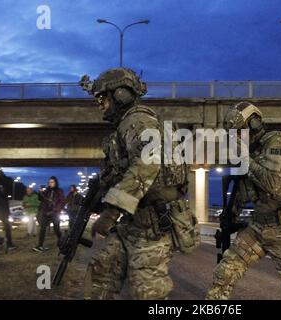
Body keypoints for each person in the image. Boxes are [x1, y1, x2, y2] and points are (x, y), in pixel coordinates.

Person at [79, 67, 200, 300]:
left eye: (103, 98)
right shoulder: (126, 126)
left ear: (121, 94)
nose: (100, 105)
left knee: (148, 295)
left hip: (154, 226)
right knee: (101, 272)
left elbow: (147, 164)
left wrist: (112, 212)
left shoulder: (138, 121)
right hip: (135, 224)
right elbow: (125, 172)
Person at [206, 102, 281, 300]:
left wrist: (245, 158)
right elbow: (241, 188)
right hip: (258, 225)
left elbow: (270, 182)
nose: (236, 137)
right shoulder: (250, 151)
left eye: (238, 132)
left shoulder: (277, 143)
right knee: (225, 272)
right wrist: (229, 219)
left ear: (254, 124)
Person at [33, 176, 65, 252]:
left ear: (55, 182)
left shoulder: (59, 191)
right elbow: (41, 199)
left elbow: (61, 201)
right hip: (46, 212)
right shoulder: (47, 191)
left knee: (56, 229)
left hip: (55, 213)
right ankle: (40, 245)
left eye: (52, 182)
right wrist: (40, 192)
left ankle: (63, 242)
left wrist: (55, 210)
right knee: (43, 228)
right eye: (49, 182)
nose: (50, 183)